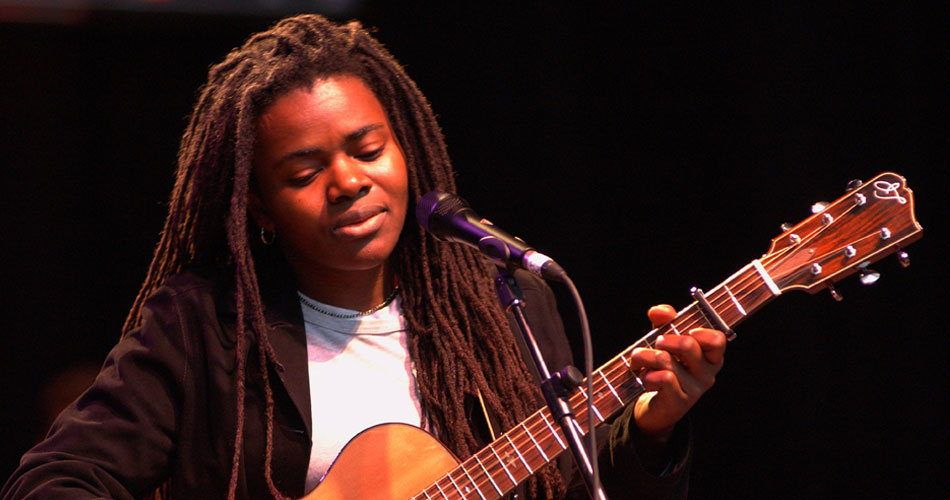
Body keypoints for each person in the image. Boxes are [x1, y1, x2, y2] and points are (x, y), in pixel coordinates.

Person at [2, 14, 725, 500]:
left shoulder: (504, 297)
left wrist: (652, 425)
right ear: (256, 204)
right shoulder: (204, 325)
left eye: (368, 149)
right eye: (303, 171)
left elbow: (574, 487)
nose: (349, 182)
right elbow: (55, 482)